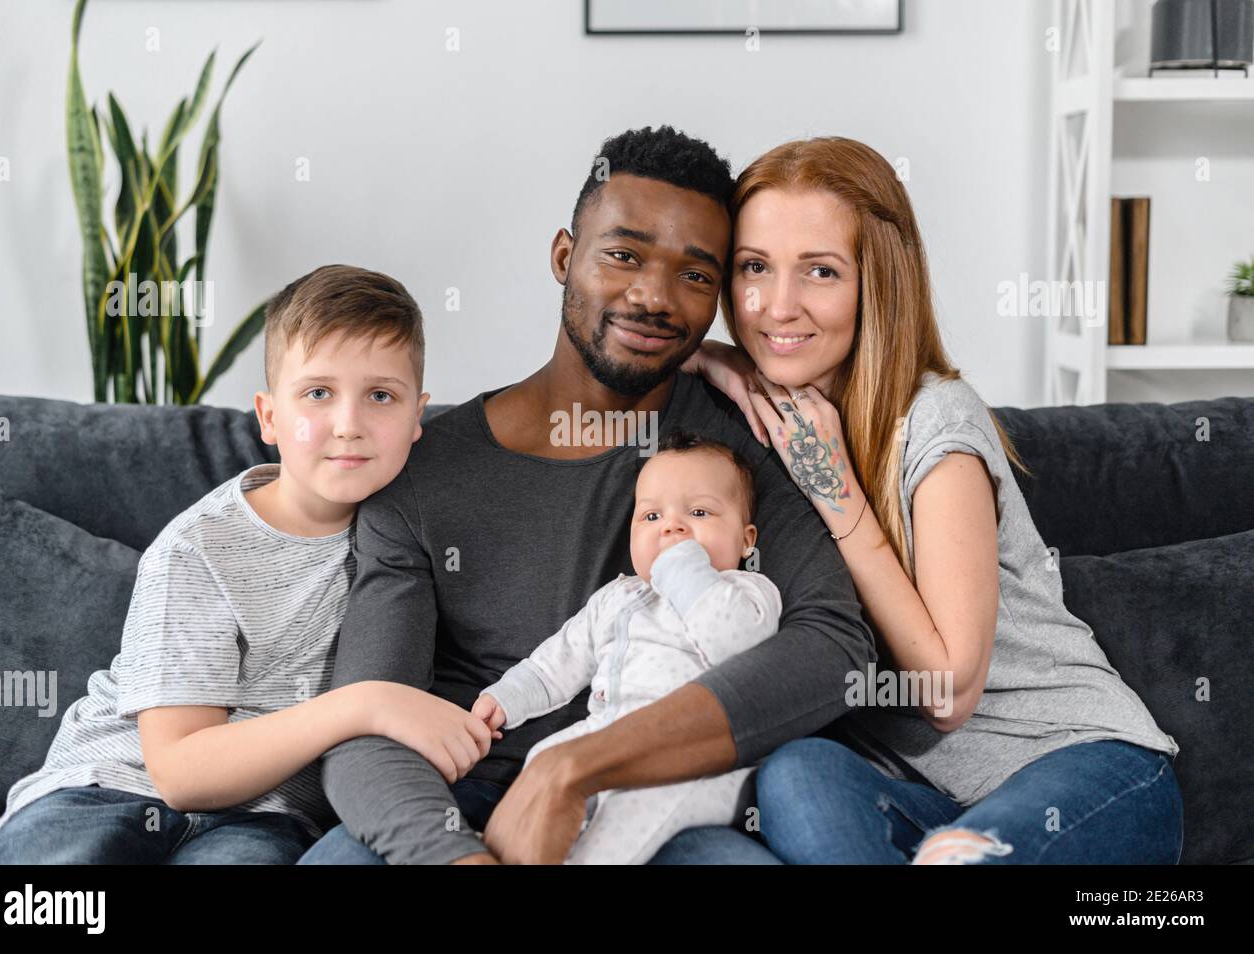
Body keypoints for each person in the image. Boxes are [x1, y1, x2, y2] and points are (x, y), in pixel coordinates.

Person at [300, 126, 875, 866]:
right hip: (464, 806)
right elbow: (368, 729)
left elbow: (833, 650)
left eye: (696, 276)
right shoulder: (420, 470)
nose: (654, 297)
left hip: (671, 811)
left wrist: (576, 767)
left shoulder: (736, 450)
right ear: (565, 255)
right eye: (623, 254)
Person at [683, 136, 1182, 864]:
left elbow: (948, 692)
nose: (777, 306)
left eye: (820, 271)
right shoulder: (766, 416)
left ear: (876, 283)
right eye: (754, 268)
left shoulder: (937, 422)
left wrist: (836, 490)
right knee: (791, 778)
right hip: (909, 794)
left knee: (960, 856)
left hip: (1075, 767)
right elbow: (620, 335)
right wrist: (702, 351)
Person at [0, 264, 486, 864]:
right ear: (269, 416)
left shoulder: (413, 541)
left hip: (265, 819)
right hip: (110, 786)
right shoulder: (200, 547)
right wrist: (365, 703)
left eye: (380, 396)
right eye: (318, 393)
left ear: (417, 418)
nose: (349, 425)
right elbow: (180, 771)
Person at [474, 432, 780, 864]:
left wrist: (682, 567)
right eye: (651, 516)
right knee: (545, 758)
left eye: (698, 512)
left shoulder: (747, 591)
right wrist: (506, 699)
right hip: (605, 734)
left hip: (693, 759)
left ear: (747, 539)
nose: (672, 527)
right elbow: (557, 661)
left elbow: (734, 643)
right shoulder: (617, 597)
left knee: (624, 824)